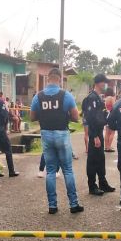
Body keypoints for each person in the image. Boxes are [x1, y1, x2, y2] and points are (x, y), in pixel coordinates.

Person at [31, 68, 84, 215]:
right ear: (59, 79)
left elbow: (32, 117)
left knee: (50, 171)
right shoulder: (66, 95)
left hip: (46, 134)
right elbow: (75, 118)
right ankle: (73, 204)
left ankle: (52, 206)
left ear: (48, 79)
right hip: (62, 134)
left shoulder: (38, 96)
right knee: (67, 170)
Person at [82, 73, 116, 196]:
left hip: (99, 132)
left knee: (100, 159)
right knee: (92, 160)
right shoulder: (91, 98)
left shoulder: (99, 97)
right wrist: (95, 135)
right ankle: (92, 185)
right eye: (104, 82)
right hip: (94, 133)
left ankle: (102, 182)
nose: (105, 84)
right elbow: (90, 119)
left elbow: (100, 116)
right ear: (98, 83)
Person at [104, 87, 116, 152]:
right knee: (112, 132)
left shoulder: (106, 99)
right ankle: (109, 147)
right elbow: (114, 107)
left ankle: (106, 146)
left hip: (106, 115)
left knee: (107, 132)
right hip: (111, 115)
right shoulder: (111, 98)